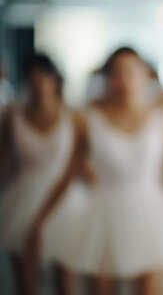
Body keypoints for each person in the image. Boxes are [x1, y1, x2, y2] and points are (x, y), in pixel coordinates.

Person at [27, 47, 163, 295]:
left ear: (145, 75)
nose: (125, 79)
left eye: (131, 71)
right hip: (101, 219)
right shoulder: (88, 119)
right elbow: (68, 176)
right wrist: (40, 221)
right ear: (108, 77)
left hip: (151, 219)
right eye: (117, 72)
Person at [0, 54, 84, 295]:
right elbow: (5, 164)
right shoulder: (12, 115)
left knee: (66, 283)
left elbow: (73, 170)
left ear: (54, 78)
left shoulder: (74, 117)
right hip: (21, 198)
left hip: (65, 201)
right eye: (32, 77)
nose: (38, 83)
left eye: (43, 77)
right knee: (25, 285)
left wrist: (40, 221)